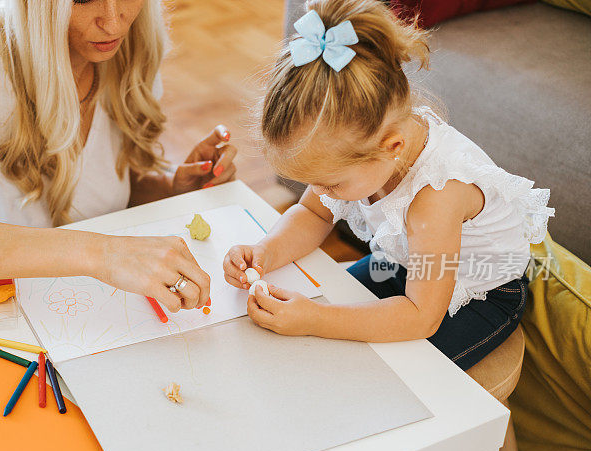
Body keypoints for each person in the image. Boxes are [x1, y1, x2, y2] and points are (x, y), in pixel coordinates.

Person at [223, 0, 553, 370]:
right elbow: (310, 213)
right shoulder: (369, 151)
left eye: (329, 183)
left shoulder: (436, 197)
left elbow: (420, 317)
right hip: (405, 267)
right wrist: (266, 251)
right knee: (324, 319)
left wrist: (314, 318)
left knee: (383, 373)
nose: (321, 192)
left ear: (391, 148)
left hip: (478, 298)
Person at [0, 0, 238, 313]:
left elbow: (98, 190)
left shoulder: (131, 46)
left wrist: (170, 186)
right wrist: (104, 254)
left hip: (84, 303)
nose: (112, 21)